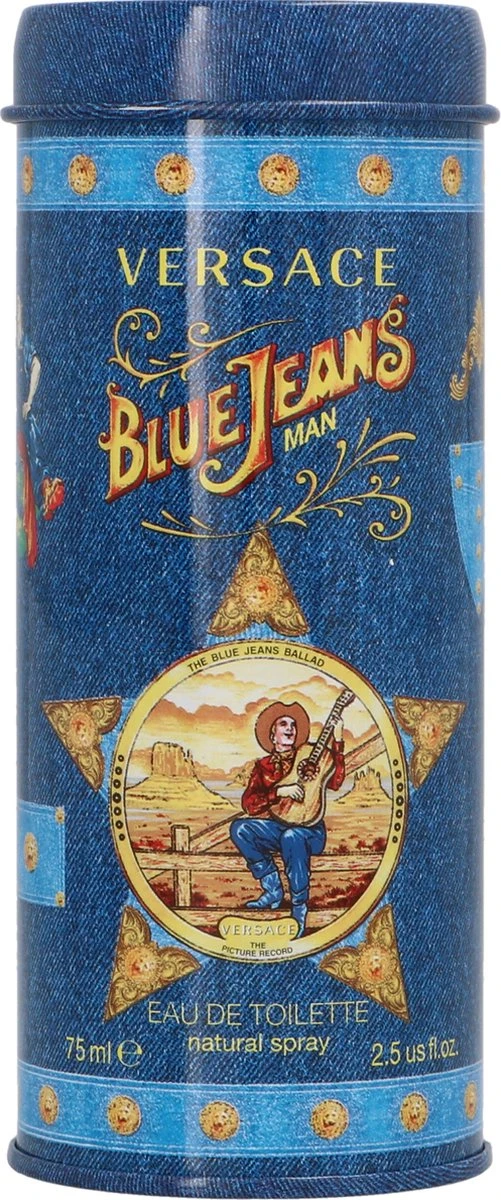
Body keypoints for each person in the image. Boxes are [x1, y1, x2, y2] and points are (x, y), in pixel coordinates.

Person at [230, 701, 345, 936]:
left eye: (293, 724)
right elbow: (249, 804)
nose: (290, 728)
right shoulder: (263, 766)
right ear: (273, 734)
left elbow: (335, 782)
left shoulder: (310, 755)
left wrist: (338, 740)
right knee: (240, 829)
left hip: (310, 830)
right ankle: (273, 890)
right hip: (278, 826)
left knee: (293, 836)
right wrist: (278, 792)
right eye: (283, 724)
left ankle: (299, 907)